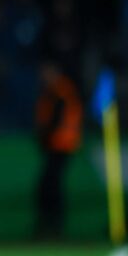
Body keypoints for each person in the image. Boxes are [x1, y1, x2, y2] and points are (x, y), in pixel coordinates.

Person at [34, 58, 82, 239]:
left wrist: (44, 136)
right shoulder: (53, 90)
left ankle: (53, 227)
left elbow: (57, 119)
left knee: (51, 186)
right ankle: (49, 226)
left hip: (61, 145)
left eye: (46, 70)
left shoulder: (60, 91)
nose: (43, 75)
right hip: (56, 145)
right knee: (48, 186)